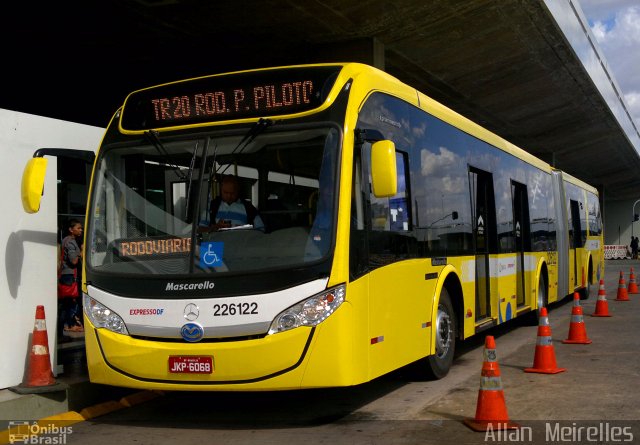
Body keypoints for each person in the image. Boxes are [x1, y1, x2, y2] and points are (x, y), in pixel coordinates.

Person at [58, 219, 84, 334]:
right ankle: (68, 325)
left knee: (67, 304)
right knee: (69, 303)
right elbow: (73, 261)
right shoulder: (70, 242)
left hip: (66, 275)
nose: (81, 230)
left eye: (81, 228)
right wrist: (82, 251)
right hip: (69, 276)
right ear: (70, 229)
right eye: (78, 228)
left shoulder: (67, 240)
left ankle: (67, 326)